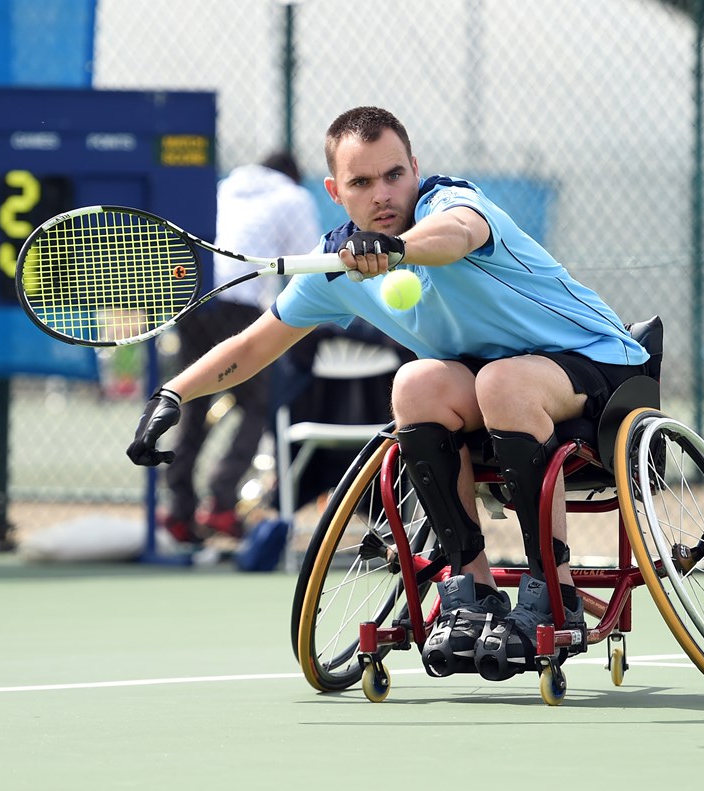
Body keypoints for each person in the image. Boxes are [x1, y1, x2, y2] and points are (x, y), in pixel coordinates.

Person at [128, 107, 649, 681]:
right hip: (497, 395)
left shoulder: (453, 204)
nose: (383, 193)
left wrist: (395, 247)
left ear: (416, 169)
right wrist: (173, 394)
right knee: (416, 383)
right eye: (361, 182)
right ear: (334, 191)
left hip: (603, 370)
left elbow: (454, 238)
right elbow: (251, 348)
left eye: (394, 175)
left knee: (504, 379)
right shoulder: (337, 267)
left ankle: (554, 592)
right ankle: (470, 589)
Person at [158, 151, 320, 546]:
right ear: (294, 176)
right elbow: (309, 265)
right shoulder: (294, 197)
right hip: (240, 304)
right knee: (259, 404)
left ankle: (179, 511)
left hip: (193, 299)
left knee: (193, 401)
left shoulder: (226, 186)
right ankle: (222, 501)